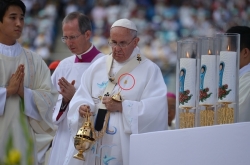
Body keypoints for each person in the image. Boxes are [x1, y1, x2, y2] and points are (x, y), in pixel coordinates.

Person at [63, 18, 168, 165]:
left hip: (123, 148)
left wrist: (122, 107)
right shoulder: (98, 66)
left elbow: (156, 110)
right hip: (92, 143)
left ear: (135, 42)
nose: (117, 48)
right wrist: (82, 107)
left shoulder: (149, 70)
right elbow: (82, 95)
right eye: (113, 42)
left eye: (122, 43)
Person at [0, 1, 58, 165]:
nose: (19, 23)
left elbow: (50, 99)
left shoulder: (35, 61)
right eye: (12, 17)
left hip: (22, 139)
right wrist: (7, 91)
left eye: (22, 18)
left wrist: (25, 93)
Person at [47, 12, 105, 165]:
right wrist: (64, 101)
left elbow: (105, 105)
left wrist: (76, 97)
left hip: (88, 139)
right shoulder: (64, 65)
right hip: (64, 135)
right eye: (65, 37)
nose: (68, 42)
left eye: (72, 37)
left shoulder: (104, 65)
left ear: (87, 34)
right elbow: (49, 101)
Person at [226, 26, 250, 122]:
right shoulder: (237, 78)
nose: (224, 56)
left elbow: (235, 117)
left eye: (228, 49)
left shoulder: (247, 82)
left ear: (245, 52)